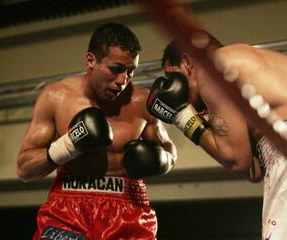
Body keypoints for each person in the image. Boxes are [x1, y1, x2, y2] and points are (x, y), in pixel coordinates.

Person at [16, 22, 177, 240]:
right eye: (116, 69)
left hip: (128, 207)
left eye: (131, 72)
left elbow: (169, 151)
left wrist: (162, 160)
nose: (123, 80)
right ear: (91, 60)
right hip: (68, 208)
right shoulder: (56, 97)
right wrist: (69, 144)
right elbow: (25, 169)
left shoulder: (142, 101)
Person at [146, 34, 287, 240]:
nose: (175, 86)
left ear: (187, 62)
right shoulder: (252, 68)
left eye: (173, 76)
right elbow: (253, 169)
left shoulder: (212, 70)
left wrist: (184, 117)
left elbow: (236, 160)